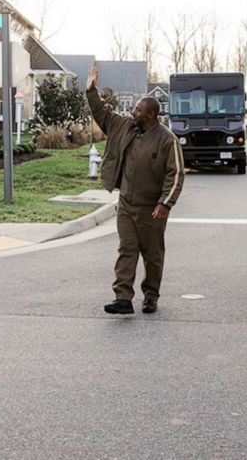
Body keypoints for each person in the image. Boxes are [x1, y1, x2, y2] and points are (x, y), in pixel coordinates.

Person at [86, 65, 185, 315]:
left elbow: (176, 174)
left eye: (138, 110)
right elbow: (102, 114)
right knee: (127, 249)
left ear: (151, 114)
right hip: (127, 205)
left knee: (152, 256)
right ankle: (123, 298)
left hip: (152, 209)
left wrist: (165, 204)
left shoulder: (167, 139)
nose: (133, 112)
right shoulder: (125, 127)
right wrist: (91, 90)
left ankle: (150, 295)